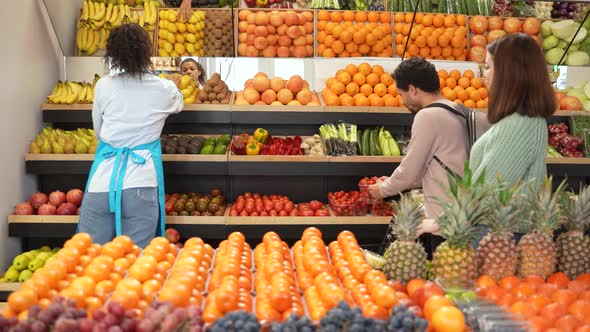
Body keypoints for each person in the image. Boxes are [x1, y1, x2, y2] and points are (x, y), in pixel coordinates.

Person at [78, 23, 184, 248]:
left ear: (113, 54)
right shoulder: (162, 88)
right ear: (146, 52)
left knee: (91, 259)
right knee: (137, 263)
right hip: (141, 183)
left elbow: (99, 131)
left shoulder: (103, 86)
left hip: (102, 184)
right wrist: (173, 85)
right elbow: (178, 102)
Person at [368, 57, 469, 235]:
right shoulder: (458, 110)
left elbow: (411, 168)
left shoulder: (428, 116)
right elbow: (430, 166)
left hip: (443, 222)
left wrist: (383, 189)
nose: (402, 101)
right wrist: (392, 181)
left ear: (413, 90)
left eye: (401, 94)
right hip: (461, 216)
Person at [469, 33, 556, 189]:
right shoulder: (523, 119)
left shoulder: (519, 124)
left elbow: (486, 195)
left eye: (488, 67)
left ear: (508, 73)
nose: (484, 75)